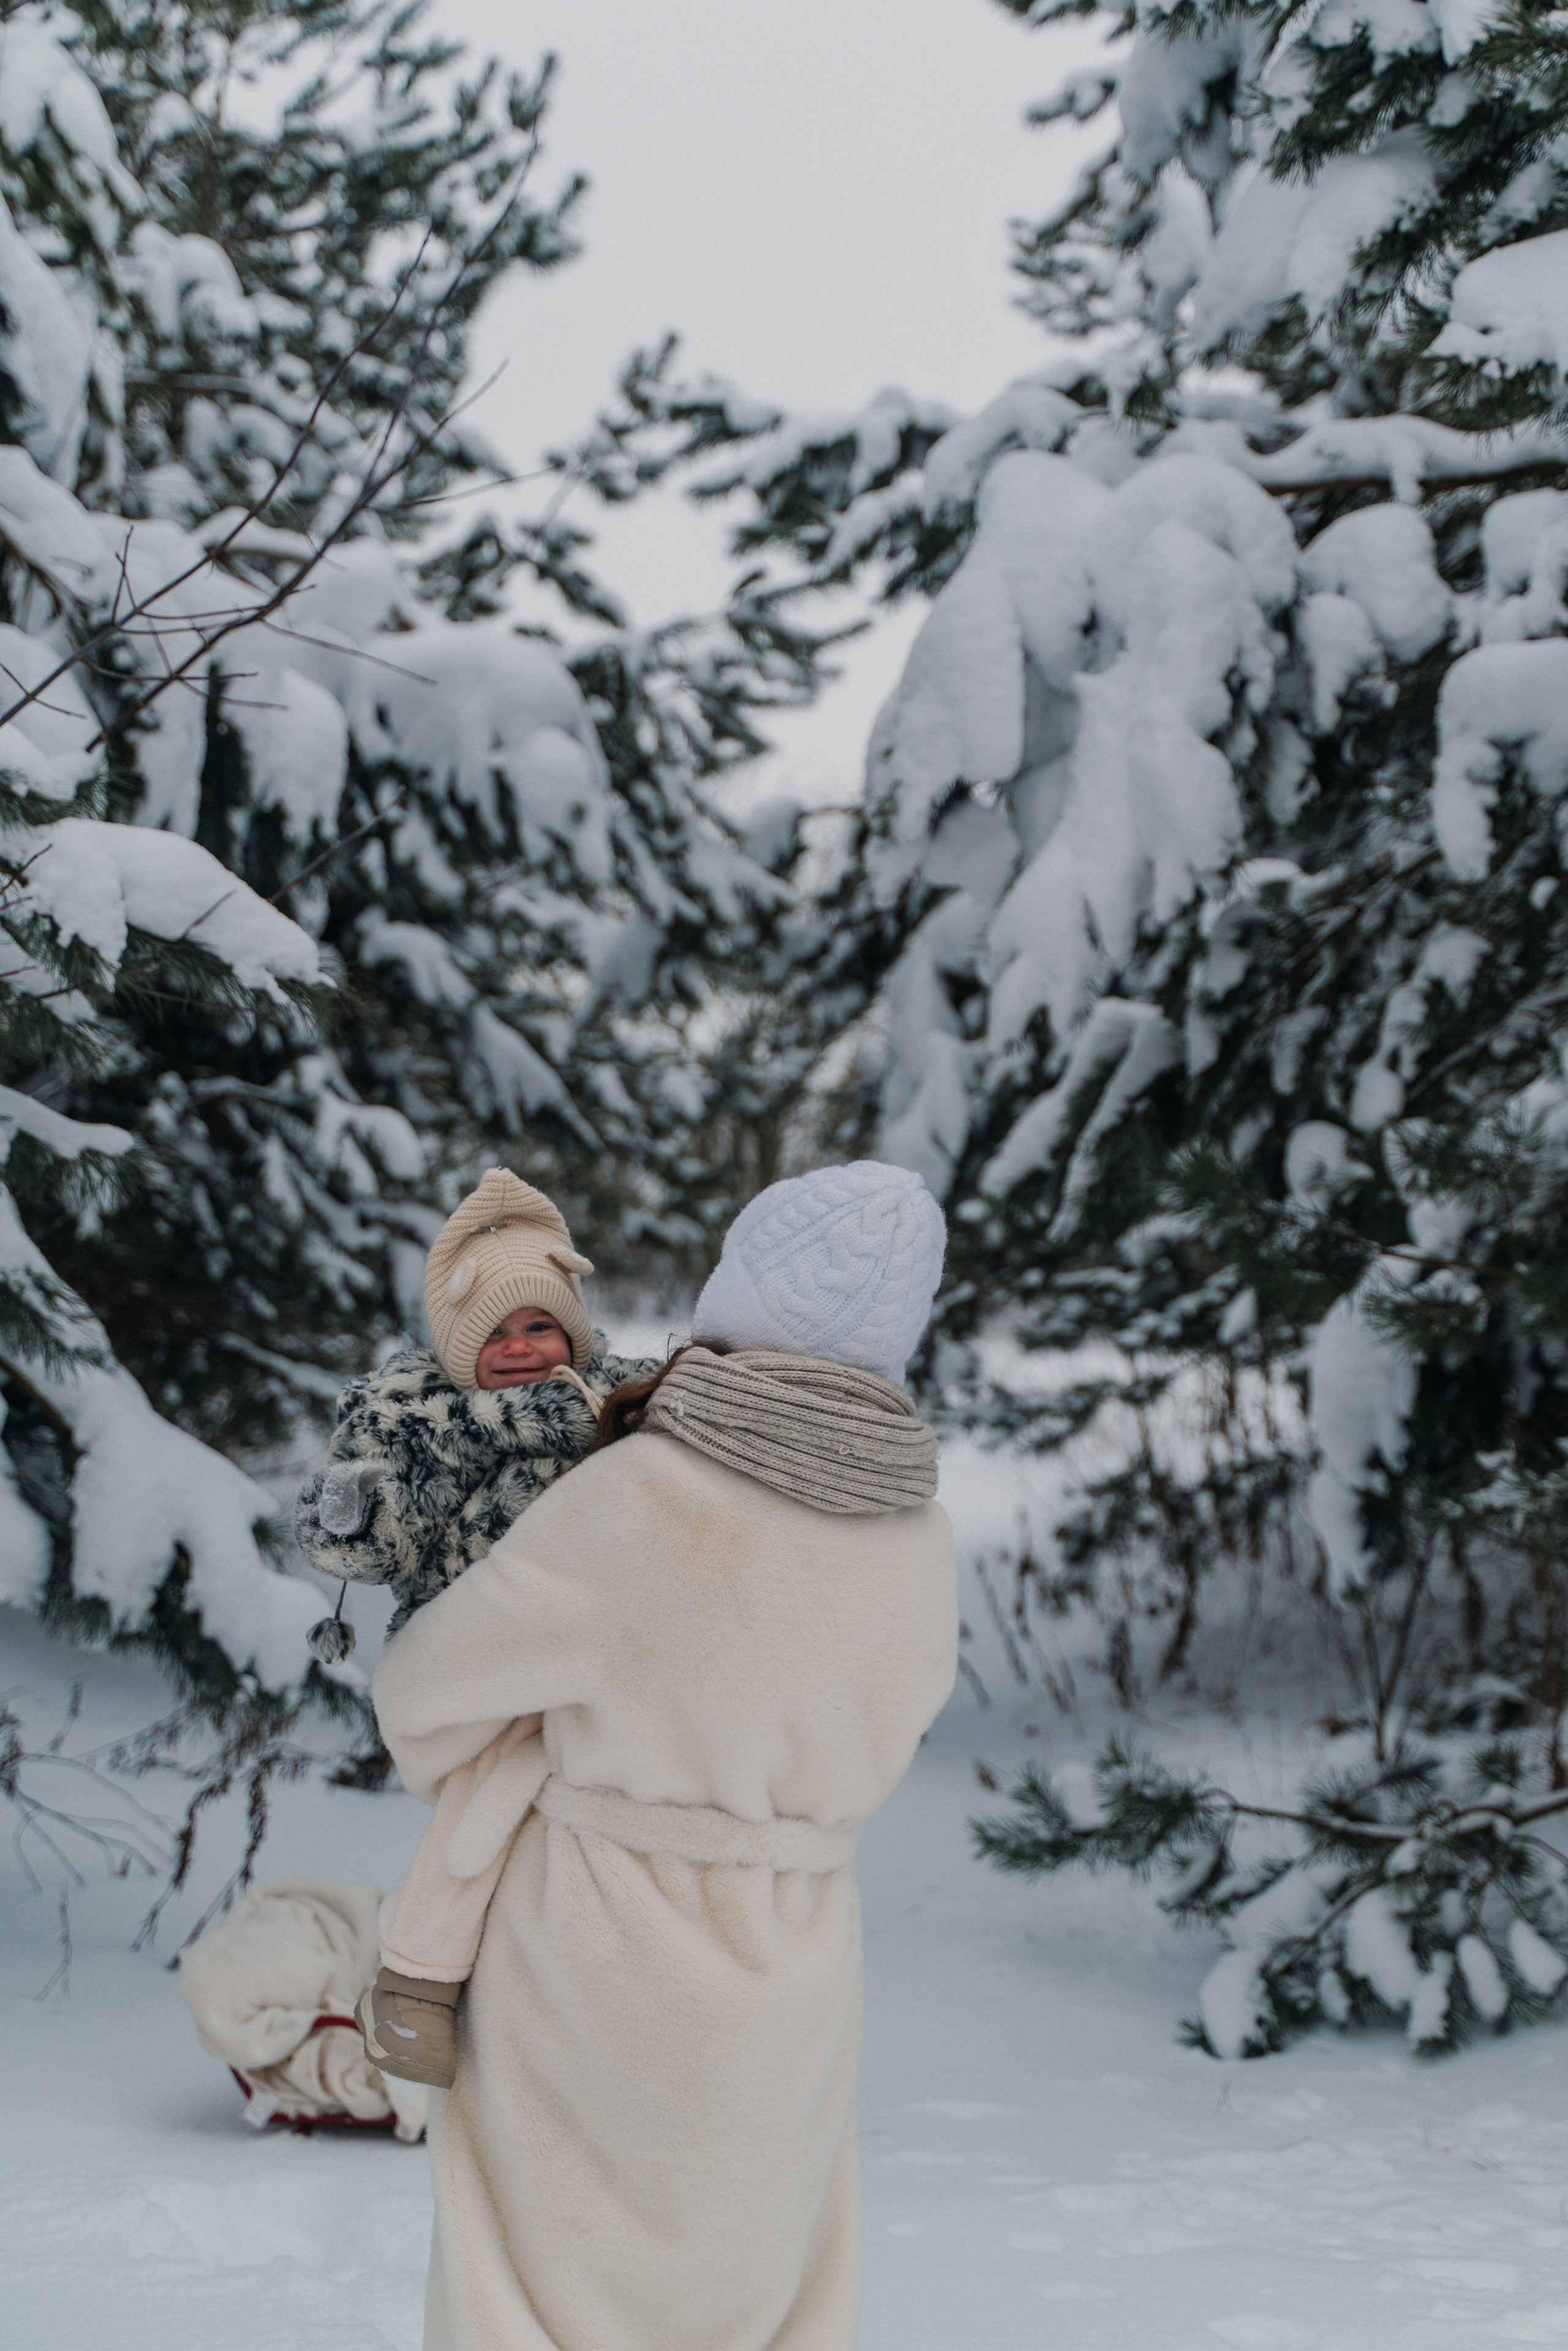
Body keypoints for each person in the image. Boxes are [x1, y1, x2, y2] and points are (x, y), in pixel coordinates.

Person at [372, 1160, 957, 2351]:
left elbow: (431, 1694)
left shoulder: (645, 1491)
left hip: (593, 1935)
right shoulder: (917, 1529)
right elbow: (896, 1722)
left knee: (536, 2273)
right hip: (796, 1949)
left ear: (738, 1297)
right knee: (760, 2278)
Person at [294, 1166, 657, 2083]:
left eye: (541, 1323)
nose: (524, 1347)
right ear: (459, 1349)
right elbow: (386, 1538)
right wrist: (356, 1512)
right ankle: (420, 1978)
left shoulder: (618, 1407)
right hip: (473, 1654)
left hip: (589, 1651)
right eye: (495, 1331)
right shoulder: (422, 1426)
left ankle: (612, 2008)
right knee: (487, 1801)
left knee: (596, 1821)